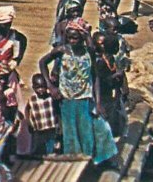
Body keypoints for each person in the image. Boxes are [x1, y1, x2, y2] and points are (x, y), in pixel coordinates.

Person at [38, 19, 117, 167]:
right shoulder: (61, 50)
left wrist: (98, 103)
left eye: (76, 37)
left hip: (85, 98)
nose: (72, 40)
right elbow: (42, 63)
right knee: (71, 134)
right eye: (69, 37)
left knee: (90, 131)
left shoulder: (89, 53)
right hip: (66, 99)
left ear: (82, 38)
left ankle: (89, 163)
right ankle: (73, 165)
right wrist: (50, 86)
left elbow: (95, 77)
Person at [94, 34, 128, 137]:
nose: (117, 49)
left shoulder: (112, 59)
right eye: (115, 46)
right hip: (102, 95)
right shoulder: (101, 63)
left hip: (111, 95)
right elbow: (100, 80)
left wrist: (123, 90)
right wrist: (115, 76)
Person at [24, 74, 59, 156]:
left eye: (43, 87)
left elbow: (57, 111)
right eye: (38, 88)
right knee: (38, 149)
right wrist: (29, 122)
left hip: (51, 128)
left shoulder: (51, 97)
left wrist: (58, 123)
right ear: (33, 88)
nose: (41, 90)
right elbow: (27, 109)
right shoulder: (32, 99)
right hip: (39, 130)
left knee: (51, 149)